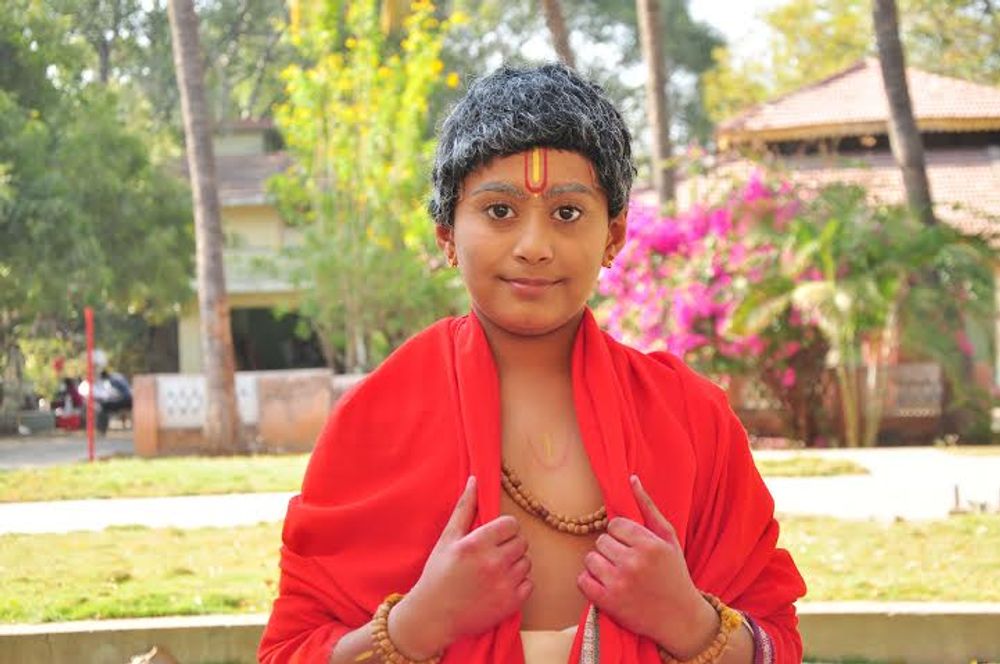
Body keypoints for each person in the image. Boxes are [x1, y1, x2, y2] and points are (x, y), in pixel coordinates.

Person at [259, 64, 806, 664]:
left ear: (613, 235)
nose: (534, 246)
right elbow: (290, 650)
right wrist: (418, 623)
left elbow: (777, 644)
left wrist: (686, 620)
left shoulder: (690, 418)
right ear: (446, 234)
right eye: (499, 211)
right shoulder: (377, 417)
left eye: (567, 213)